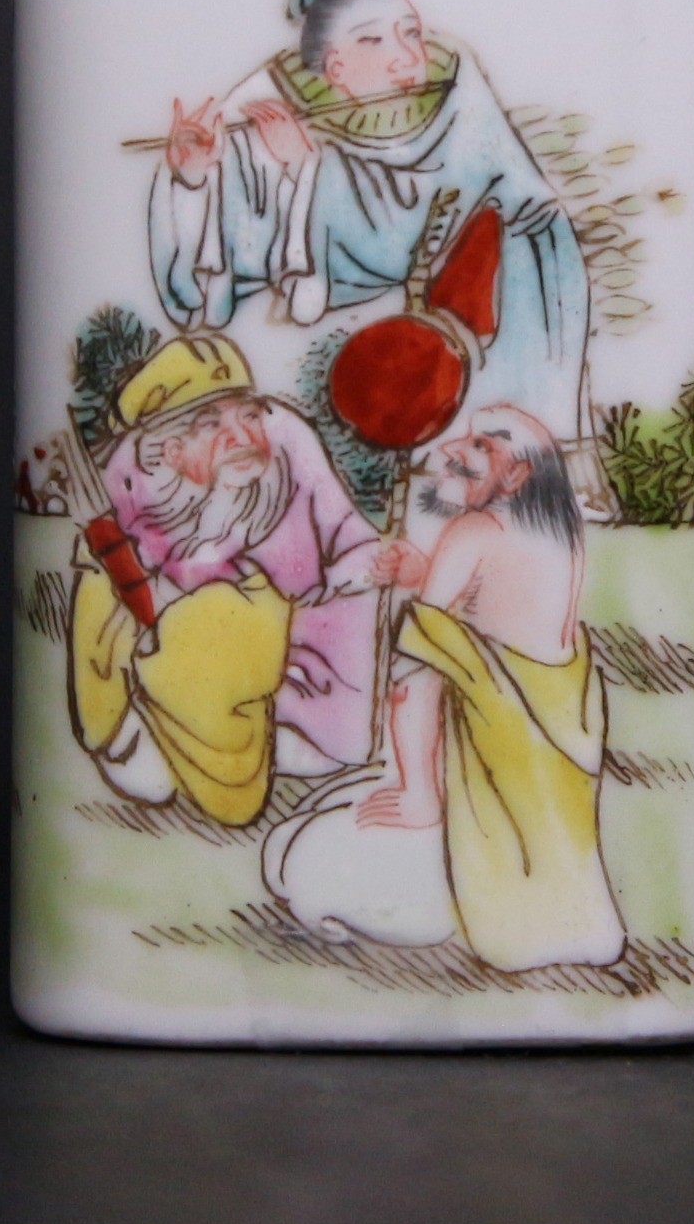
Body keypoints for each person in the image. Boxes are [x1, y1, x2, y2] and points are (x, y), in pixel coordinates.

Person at [148, 0, 589, 444]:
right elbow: (200, 297)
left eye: (412, 33)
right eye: (372, 40)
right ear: (335, 66)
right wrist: (195, 178)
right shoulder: (265, 115)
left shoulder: (458, 93)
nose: (406, 57)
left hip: (447, 342)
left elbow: (528, 206)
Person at [264, 406, 626, 970]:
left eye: (482, 445)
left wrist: (417, 793)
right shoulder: (561, 537)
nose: (454, 449)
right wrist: (423, 571)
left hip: (474, 757)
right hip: (545, 759)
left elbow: (417, 677)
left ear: (517, 475)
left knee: (294, 857)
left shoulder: (472, 533)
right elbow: (498, 614)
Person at [68, 337, 382, 825]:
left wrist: (372, 567)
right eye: (211, 425)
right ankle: (138, 738)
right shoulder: (134, 484)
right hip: (176, 669)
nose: (242, 437)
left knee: (245, 613)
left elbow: (352, 541)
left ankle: (276, 742)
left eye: (249, 416)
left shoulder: (288, 451)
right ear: (171, 449)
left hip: (299, 671)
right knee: (114, 592)